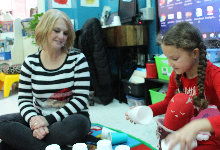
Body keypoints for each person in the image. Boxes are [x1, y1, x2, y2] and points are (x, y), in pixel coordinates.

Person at [0, 9, 91, 150]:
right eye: (56, 31)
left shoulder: (78, 60)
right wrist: (34, 122)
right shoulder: (30, 62)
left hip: (69, 119)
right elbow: (24, 100)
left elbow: (80, 100)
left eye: (65, 33)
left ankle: (23, 143)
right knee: (2, 123)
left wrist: (47, 120)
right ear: (45, 30)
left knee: (78, 124)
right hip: (39, 115)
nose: (61, 37)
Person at [126, 21, 220, 150]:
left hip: (210, 135)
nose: (170, 64)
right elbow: (167, 103)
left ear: (195, 53)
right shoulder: (177, 75)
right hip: (185, 132)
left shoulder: (214, 75)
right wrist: (146, 111)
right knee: (179, 100)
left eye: (174, 58)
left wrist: (198, 125)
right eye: (167, 58)